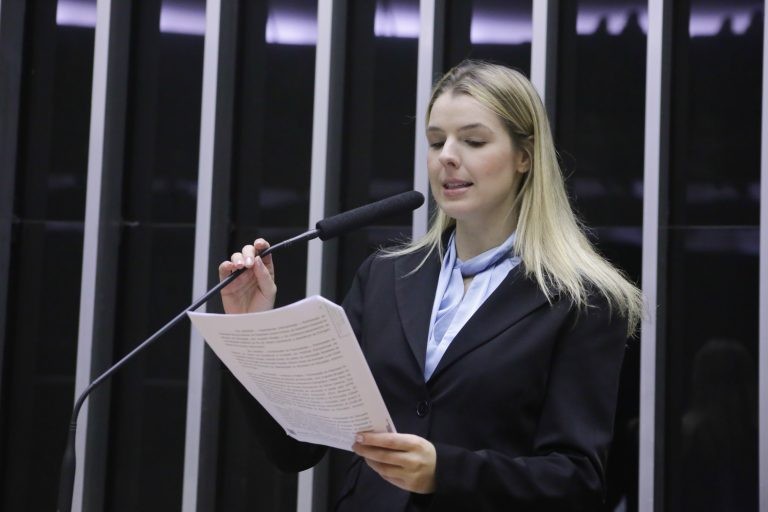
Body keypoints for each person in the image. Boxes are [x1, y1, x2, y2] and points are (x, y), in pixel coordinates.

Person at [218, 60, 643, 511]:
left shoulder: (583, 299)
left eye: (473, 141)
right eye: (437, 141)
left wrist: (446, 472)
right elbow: (297, 449)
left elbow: (577, 482)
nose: (447, 156)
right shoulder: (386, 276)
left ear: (526, 156)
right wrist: (253, 330)